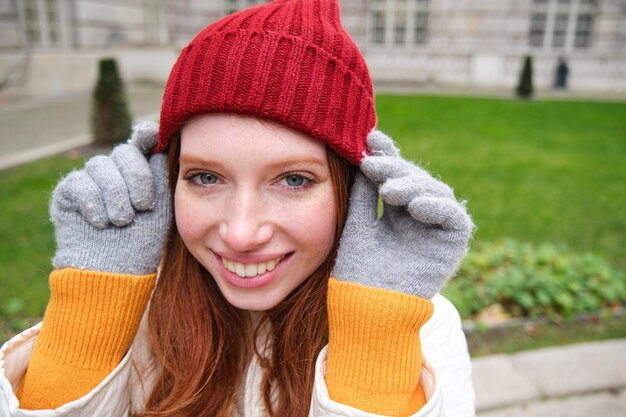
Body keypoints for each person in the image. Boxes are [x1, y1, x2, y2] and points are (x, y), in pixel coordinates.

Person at [0, 0, 475, 416]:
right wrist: (92, 308)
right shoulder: (124, 303)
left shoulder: (419, 328)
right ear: (166, 180)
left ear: (354, 189)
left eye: (294, 180)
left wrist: (376, 335)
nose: (242, 234)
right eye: (205, 177)